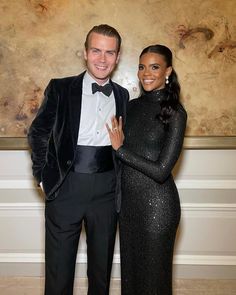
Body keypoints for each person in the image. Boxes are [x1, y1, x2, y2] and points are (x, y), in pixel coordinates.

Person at [28, 24, 129, 295]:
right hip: (65, 187)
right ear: (85, 53)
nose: (102, 59)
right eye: (96, 50)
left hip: (107, 191)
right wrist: (42, 177)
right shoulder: (61, 88)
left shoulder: (122, 95)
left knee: (100, 272)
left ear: (118, 57)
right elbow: (38, 132)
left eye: (109, 52)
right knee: (59, 271)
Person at [107, 44, 187, 294]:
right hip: (129, 207)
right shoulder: (130, 107)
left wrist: (121, 151)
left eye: (154, 67)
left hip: (159, 208)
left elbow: (162, 170)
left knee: (154, 281)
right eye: (142, 67)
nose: (146, 73)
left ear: (168, 71)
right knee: (131, 278)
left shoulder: (175, 112)